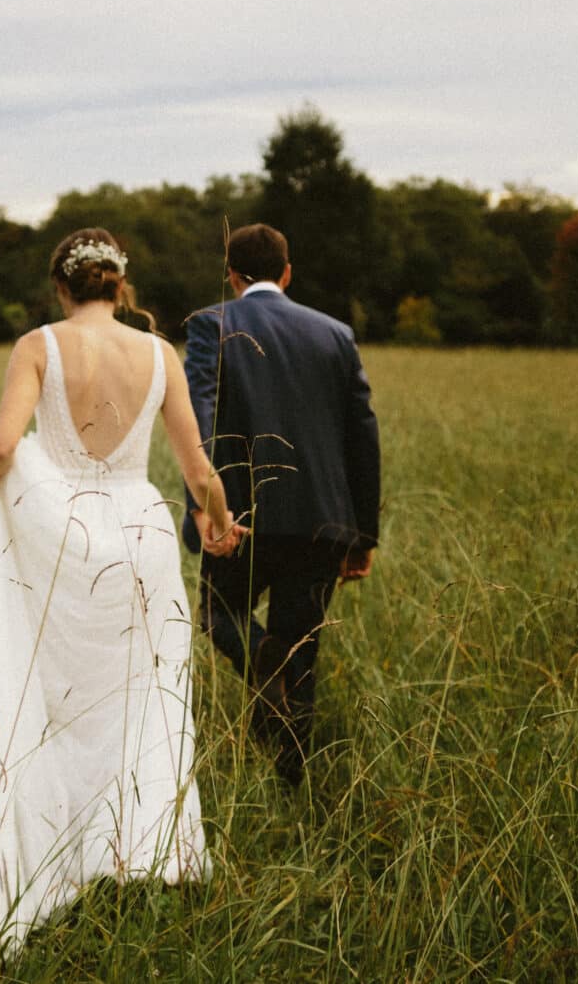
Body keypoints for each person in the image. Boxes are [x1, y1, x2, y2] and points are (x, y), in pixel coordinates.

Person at [0, 228, 244, 958]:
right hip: (138, 540)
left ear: (61, 287)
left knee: (47, 701)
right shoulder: (160, 354)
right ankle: (133, 853)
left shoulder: (38, 347)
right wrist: (220, 518)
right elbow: (197, 465)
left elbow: (5, 447)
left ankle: (44, 849)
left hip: (59, 541)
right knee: (139, 701)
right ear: (119, 285)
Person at [183, 222, 381, 787]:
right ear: (287, 273)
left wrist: (206, 505)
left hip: (238, 517)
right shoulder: (336, 334)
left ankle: (262, 655)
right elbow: (361, 438)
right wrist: (362, 535)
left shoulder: (210, 325)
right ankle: (289, 779)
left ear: (230, 274)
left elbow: (201, 414)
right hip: (323, 519)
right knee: (302, 648)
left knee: (217, 615)